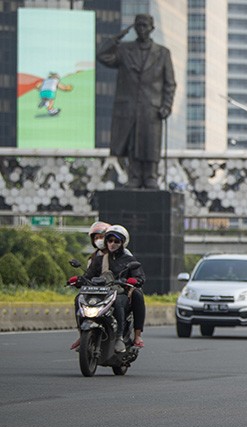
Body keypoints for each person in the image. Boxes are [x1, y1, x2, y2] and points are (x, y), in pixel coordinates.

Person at [96, 14, 176, 189]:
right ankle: (134, 176)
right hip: (129, 107)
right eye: (138, 26)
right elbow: (102, 55)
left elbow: (170, 83)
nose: (142, 29)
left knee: (150, 143)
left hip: (152, 107)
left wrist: (166, 106)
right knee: (132, 142)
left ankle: (150, 176)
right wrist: (117, 38)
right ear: (134, 28)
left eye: (145, 26)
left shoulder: (162, 53)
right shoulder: (124, 50)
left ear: (151, 28)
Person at [70, 222, 148, 350]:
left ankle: (125, 337)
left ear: (122, 243)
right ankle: (82, 334)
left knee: (123, 300)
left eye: (116, 241)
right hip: (101, 293)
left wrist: (134, 280)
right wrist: (78, 280)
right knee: (79, 298)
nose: (112, 244)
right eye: (110, 241)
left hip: (120, 294)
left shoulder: (129, 260)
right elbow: (88, 275)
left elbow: (139, 276)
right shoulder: (99, 259)